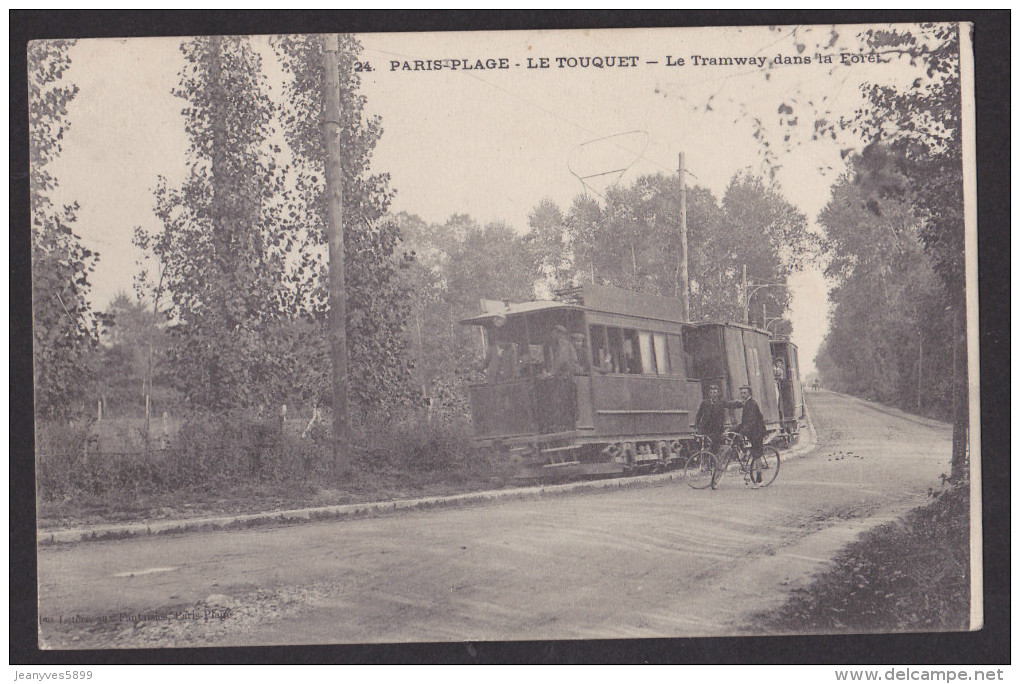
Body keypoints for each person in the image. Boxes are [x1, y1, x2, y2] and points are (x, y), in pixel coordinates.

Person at [726, 384, 767, 483]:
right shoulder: (745, 403)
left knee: (757, 455)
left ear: (749, 394)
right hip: (748, 427)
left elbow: (751, 421)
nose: (742, 395)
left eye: (744, 393)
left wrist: (742, 432)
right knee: (730, 432)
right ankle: (743, 451)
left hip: (757, 431)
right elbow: (735, 404)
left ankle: (759, 479)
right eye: (741, 393)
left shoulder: (752, 404)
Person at [694, 384, 726, 453]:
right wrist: (697, 425)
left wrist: (741, 403)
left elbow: (730, 404)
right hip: (706, 428)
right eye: (711, 392)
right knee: (702, 445)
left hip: (717, 429)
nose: (712, 394)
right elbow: (699, 414)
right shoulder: (705, 403)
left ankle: (714, 461)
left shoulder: (721, 402)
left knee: (715, 446)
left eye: (714, 392)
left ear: (718, 393)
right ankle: (704, 459)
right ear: (708, 393)